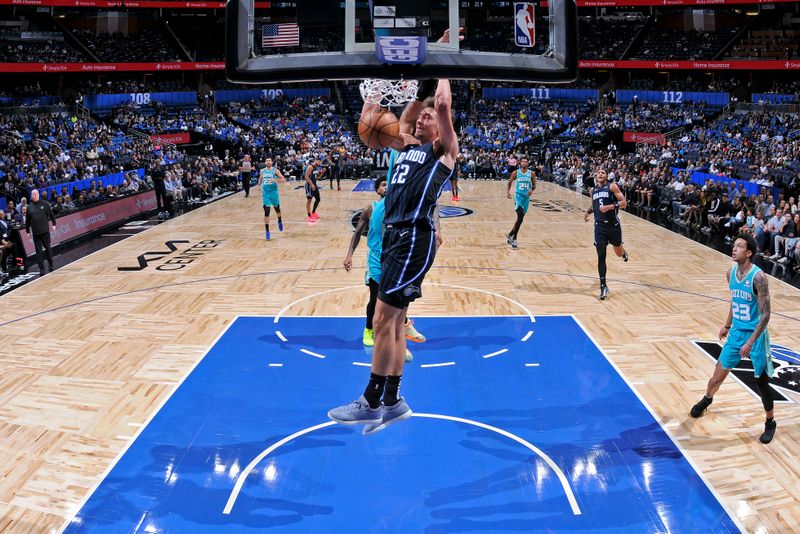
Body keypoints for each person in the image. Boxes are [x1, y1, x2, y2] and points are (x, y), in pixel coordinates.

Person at [328, 50, 459, 434]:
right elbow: (406, 111)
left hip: (413, 239)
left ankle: (370, 402)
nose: (422, 116)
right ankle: (392, 400)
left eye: (429, 117)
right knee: (396, 322)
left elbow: (443, 101)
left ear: (440, 128)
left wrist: (444, 60)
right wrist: (422, 58)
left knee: (382, 319)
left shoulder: (443, 152)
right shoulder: (405, 145)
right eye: (421, 115)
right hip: (395, 241)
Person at [690, 233, 776, 444]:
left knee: (761, 383)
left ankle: (770, 421)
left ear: (749, 253)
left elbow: (766, 314)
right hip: (736, 332)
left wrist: (750, 342)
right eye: (734, 245)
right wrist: (727, 324)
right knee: (715, 378)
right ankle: (707, 399)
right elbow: (734, 300)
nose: (734, 248)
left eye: (739, 246)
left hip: (755, 336)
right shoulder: (730, 274)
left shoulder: (759, 278)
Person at [343, 175, 426, 357]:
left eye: (388, 184)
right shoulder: (370, 209)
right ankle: (368, 330)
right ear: (377, 190)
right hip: (375, 258)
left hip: (393, 256)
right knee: (376, 298)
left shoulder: (396, 207)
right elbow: (357, 234)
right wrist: (349, 255)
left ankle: (404, 325)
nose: (386, 187)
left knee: (399, 294)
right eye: (382, 185)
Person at [584, 168, 629, 300]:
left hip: (613, 226)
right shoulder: (593, 190)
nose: (600, 174)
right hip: (599, 227)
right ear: (595, 176)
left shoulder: (612, 187)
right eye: (598, 172)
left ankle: (623, 251)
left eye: (603, 172)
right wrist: (587, 212)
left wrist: (609, 207)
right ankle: (603, 285)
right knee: (601, 256)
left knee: (618, 252)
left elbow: (624, 203)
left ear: (607, 176)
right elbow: (595, 205)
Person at [505, 156, 536, 250]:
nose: (524, 163)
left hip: (526, 198)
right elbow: (509, 182)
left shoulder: (532, 173)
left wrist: (531, 189)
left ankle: (510, 234)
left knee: (520, 219)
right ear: (520, 163)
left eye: (526, 161)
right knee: (520, 216)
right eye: (523, 161)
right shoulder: (516, 173)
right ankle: (514, 239)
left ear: (528, 163)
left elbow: (534, 185)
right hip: (518, 197)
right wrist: (508, 191)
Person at [25, 189, 57, 276]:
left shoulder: (45, 204)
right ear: (31, 196)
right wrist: (27, 230)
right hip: (36, 233)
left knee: (48, 248)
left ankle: (51, 264)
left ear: (38, 195)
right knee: (38, 252)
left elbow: (51, 215)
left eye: (35, 194)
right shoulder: (29, 207)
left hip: (45, 231)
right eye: (33, 194)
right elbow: (27, 221)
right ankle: (41, 268)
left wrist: (54, 224)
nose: (34, 196)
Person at [258, 158, 286, 241]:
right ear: (265, 162)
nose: (268, 162)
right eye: (266, 160)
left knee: (277, 209)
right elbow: (260, 178)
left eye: (269, 160)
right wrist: (259, 185)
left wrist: (275, 180)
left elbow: (283, 179)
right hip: (265, 193)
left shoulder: (275, 170)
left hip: (274, 193)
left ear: (272, 162)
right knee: (267, 211)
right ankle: (267, 232)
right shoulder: (262, 171)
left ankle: (279, 220)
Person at [304, 157, 326, 222]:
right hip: (309, 186)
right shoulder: (310, 167)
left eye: (320, 162)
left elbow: (317, 178)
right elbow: (306, 177)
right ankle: (309, 216)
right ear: (315, 160)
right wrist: (311, 184)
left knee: (318, 199)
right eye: (319, 162)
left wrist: (322, 172)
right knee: (309, 201)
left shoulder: (316, 168)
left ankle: (313, 213)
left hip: (314, 185)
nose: (319, 163)